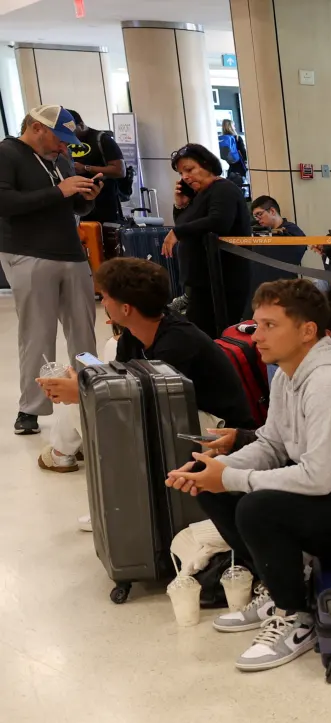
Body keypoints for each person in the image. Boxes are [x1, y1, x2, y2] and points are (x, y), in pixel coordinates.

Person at [165, 278, 331, 672]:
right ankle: (275, 586)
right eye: (256, 325)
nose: (257, 337)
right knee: (215, 485)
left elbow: (317, 478)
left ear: (307, 331)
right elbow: (271, 445)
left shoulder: (330, 383)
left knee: (258, 506)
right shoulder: (288, 375)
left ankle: (294, 615)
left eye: (270, 326)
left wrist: (231, 478)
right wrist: (214, 472)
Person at [34, 258, 259, 472]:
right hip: (185, 416)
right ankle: (68, 448)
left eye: (105, 297)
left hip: (220, 432)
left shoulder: (177, 343)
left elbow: (146, 405)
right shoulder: (138, 333)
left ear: (126, 308)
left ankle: (65, 452)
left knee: (86, 400)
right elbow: (127, 385)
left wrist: (82, 392)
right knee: (89, 386)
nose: (102, 303)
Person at [0, 104, 99, 435]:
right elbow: (5, 204)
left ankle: (93, 397)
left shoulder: (60, 159)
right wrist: (59, 190)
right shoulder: (7, 153)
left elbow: (70, 204)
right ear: (37, 128)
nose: (64, 147)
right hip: (28, 252)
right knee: (38, 333)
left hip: (70, 252)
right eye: (59, 139)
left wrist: (86, 196)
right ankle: (31, 408)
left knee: (84, 333)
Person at [163, 143, 251, 336]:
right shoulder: (199, 196)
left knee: (213, 336)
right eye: (181, 173)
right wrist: (180, 205)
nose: (185, 177)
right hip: (201, 283)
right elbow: (185, 225)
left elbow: (218, 222)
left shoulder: (223, 189)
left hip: (222, 282)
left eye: (190, 169)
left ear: (207, 164)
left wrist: (178, 233)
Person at [66, 111, 124, 258]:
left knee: (108, 246)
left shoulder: (101, 139)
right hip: (77, 203)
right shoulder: (64, 143)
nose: (70, 137)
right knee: (85, 244)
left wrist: (86, 168)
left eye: (72, 131)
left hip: (104, 202)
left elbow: (119, 170)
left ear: (81, 125)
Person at [248, 195, 307, 283]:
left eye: (259, 214)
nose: (258, 220)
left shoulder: (292, 230)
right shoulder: (258, 232)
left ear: (272, 211)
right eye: (255, 217)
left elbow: (290, 253)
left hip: (283, 288)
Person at [217, 119, 247, 185]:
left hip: (231, 167)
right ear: (231, 126)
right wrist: (246, 161)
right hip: (240, 166)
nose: (235, 127)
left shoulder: (221, 139)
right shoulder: (237, 138)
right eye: (233, 125)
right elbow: (243, 152)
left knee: (232, 185)